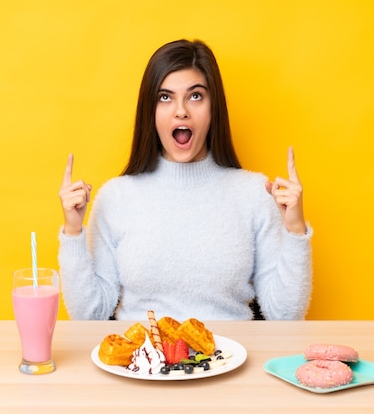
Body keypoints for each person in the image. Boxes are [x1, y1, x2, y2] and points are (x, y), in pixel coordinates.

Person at [58, 39, 313, 321]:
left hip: (231, 360)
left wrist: (295, 231)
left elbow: (286, 316)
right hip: (143, 362)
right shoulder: (116, 197)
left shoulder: (254, 193)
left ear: (213, 108)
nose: (181, 111)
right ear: (150, 112)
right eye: (165, 97)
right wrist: (72, 231)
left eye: (195, 96)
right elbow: (90, 315)